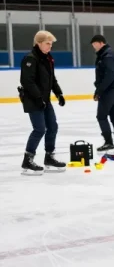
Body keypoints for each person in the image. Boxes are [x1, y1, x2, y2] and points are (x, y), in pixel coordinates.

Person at [18, 30, 67, 176]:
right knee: (39, 129)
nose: (50, 47)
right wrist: (38, 98)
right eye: (47, 44)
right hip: (33, 100)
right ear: (38, 43)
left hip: (45, 100)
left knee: (52, 126)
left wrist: (59, 93)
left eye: (51, 44)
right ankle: (28, 159)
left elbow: (52, 79)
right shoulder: (30, 58)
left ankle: (49, 157)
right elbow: (27, 81)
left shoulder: (47, 58)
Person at [91, 34, 114, 153]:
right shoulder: (113, 54)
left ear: (100, 43)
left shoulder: (107, 56)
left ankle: (109, 142)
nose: (94, 47)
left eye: (94, 45)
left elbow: (109, 75)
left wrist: (99, 91)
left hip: (109, 92)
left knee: (101, 116)